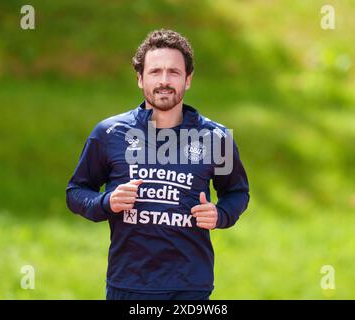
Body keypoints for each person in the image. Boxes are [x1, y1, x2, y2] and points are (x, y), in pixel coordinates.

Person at [66, 29, 250, 300]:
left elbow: (237, 192)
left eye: (173, 72)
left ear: (188, 79)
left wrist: (219, 215)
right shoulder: (109, 133)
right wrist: (108, 203)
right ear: (140, 78)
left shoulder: (215, 138)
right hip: (128, 285)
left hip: (190, 287)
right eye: (155, 72)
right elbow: (76, 192)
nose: (164, 81)